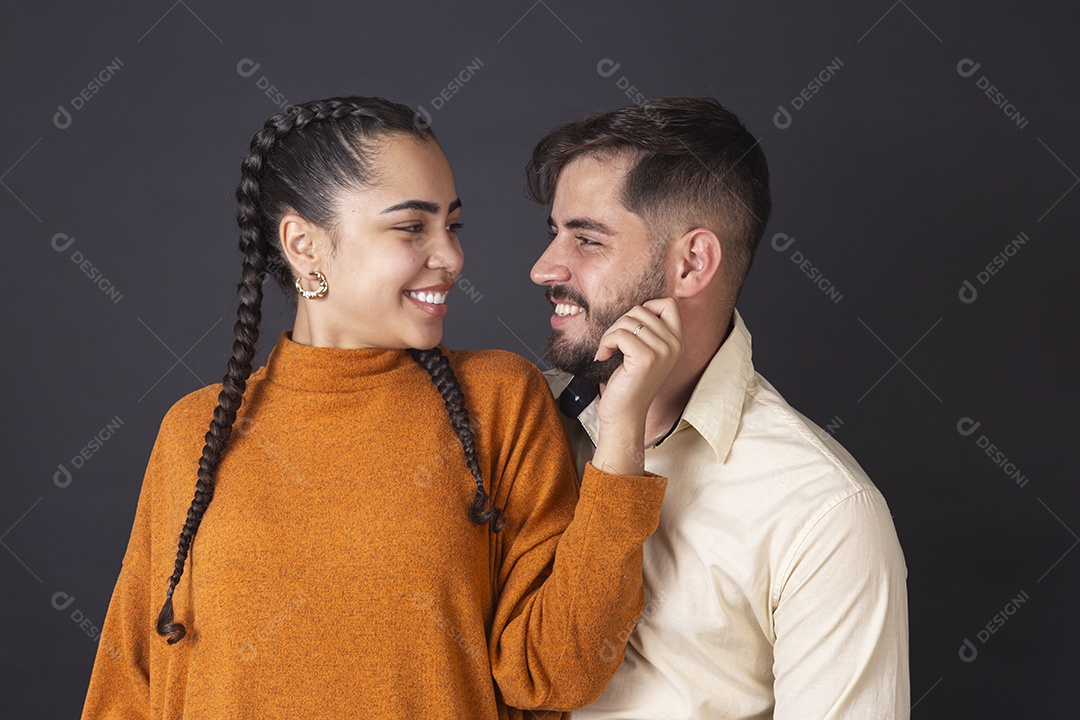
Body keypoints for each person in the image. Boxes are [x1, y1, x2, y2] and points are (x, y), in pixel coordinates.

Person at [80, 96, 684, 719]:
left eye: (452, 225)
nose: (450, 257)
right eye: (411, 227)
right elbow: (129, 686)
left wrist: (622, 434)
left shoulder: (500, 399)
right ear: (304, 244)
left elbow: (555, 674)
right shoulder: (197, 432)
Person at [528, 97, 909, 719]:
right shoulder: (518, 421)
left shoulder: (824, 512)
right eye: (554, 233)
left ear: (692, 262)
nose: (544, 268)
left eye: (587, 239)